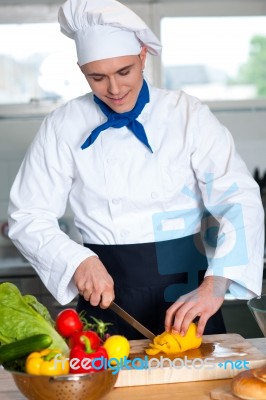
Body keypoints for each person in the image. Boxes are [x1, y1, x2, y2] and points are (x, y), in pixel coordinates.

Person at [8, 0, 264, 340]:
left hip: (187, 291)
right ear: (81, 70)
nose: (114, 89)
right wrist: (76, 261)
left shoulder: (186, 113)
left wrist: (216, 284)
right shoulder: (63, 124)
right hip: (106, 296)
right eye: (97, 77)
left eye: (124, 72)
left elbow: (239, 198)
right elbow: (28, 214)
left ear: (143, 56)